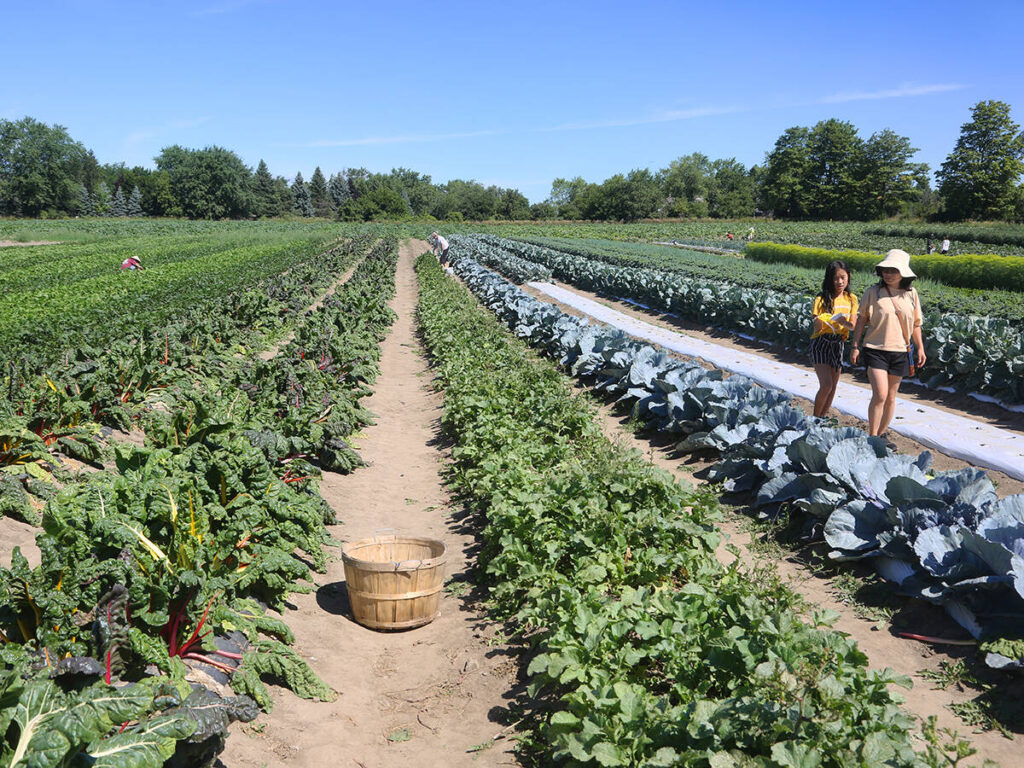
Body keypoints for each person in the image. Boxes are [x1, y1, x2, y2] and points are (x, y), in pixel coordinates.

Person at [850, 249, 926, 449]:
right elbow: (861, 321)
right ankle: (872, 436)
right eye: (885, 269)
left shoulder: (912, 294)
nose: (888, 274)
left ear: (904, 273)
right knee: (881, 394)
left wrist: (920, 348)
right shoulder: (872, 292)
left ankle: (882, 434)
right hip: (875, 349)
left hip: (900, 350)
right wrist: (855, 346)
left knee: (892, 396)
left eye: (894, 270)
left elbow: (916, 324)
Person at [809, 260, 858, 418]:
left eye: (843, 277)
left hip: (838, 344)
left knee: (833, 386)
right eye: (836, 278)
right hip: (821, 343)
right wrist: (821, 321)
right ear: (829, 279)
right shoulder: (822, 298)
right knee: (826, 385)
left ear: (848, 277)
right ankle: (815, 418)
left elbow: (853, 326)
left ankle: (822, 418)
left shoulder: (851, 299)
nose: (840, 282)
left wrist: (845, 322)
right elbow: (816, 324)